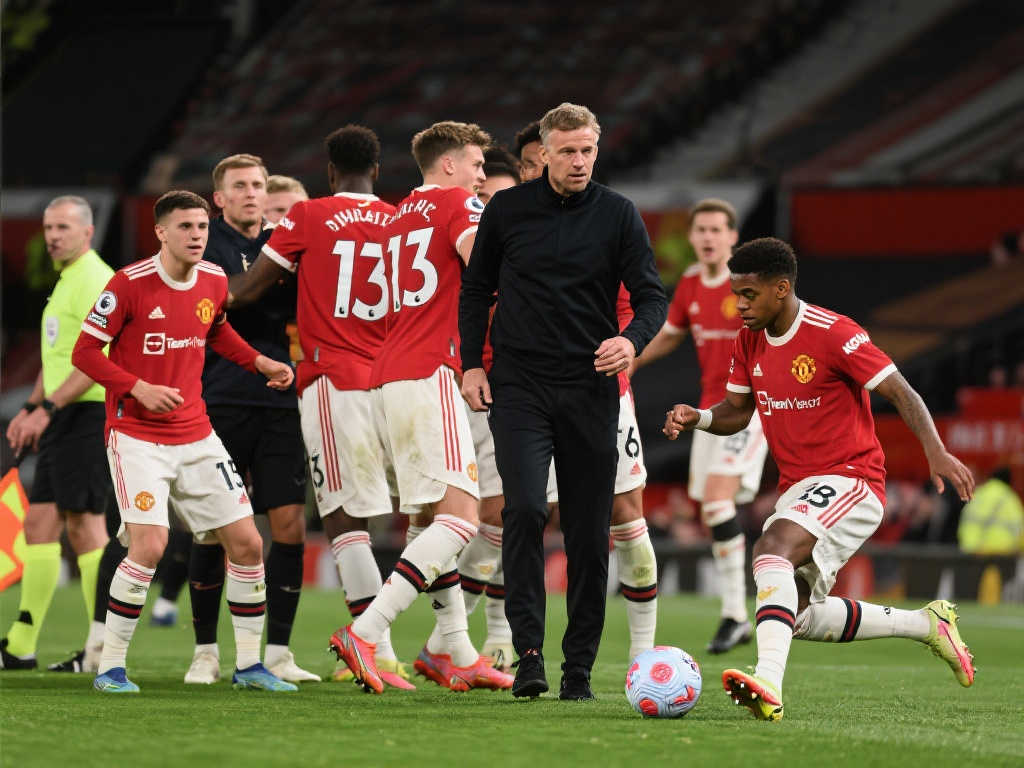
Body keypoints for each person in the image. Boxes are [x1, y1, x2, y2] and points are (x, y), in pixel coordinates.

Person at [663, 236, 977, 721]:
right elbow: (738, 411)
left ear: (781, 288)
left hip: (852, 478)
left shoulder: (833, 333)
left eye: (748, 294)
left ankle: (768, 684)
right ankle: (926, 624)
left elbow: (901, 391)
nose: (739, 305)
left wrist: (935, 451)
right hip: (799, 488)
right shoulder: (749, 339)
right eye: (736, 294)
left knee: (770, 549)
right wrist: (699, 418)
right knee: (795, 613)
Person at [460, 103, 667, 701]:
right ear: (544, 154)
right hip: (520, 386)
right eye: (568, 151)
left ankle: (578, 669)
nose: (579, 161)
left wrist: (631, 340)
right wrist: (472, 363)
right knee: (524, 509)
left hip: (589, 387)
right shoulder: (507, 209)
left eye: (588, 151)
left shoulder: (618, 213)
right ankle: (528, 655)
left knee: (587, 531)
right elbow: (476, 289)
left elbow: (652, 296)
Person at [72, 190, 297, 693]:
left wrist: (258, 362)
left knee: (248, 543)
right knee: (150, 546)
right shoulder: (128, 284)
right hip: (136, 437)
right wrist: (138, 387)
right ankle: (110, 668)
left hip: (197, 434)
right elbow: (84, 352)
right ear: (161, 232)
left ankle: (249, 666)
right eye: (186, 227)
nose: (197, 236)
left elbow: (215, 330)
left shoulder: (214, 279)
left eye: (201, 227)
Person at [328, 120, 513, 695]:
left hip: (389, 373)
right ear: (449, 164)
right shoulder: (459, 204)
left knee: (430, 519)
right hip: (431, 370)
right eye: (477, 164)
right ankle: (365, 631)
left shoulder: (397, 214)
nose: (481, 175)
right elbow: (486, 267)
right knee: (462, 518)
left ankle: (455, 650)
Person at [228, 125, 414, 690]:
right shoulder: (402, 219)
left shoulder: (308, 217)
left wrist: (192, 291)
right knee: (416, 512)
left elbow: (248, 289)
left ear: (330, 173)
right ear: (376, 171)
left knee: (343, 514)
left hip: (335, 378)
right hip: (398, 379)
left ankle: (377, 650)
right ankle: (444, 642)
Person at [184, 154, 315, 685]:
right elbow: (215, 306)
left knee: (289, 524)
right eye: (239, 186)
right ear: (219, 198)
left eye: (258, 184)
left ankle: (279, 651)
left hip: (281, 399)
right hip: (219, 397)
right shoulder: (204, 243)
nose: (251, 193)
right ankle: (205, 652)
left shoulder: (283, 243)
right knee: (212, 529)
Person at [635, 198, 768, 653]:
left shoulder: (747, 284)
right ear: (692, 238)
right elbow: (670, 335)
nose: (709, 237)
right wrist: (631, 358)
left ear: (733, 236)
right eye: (702, 230)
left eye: (717, 229)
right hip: (710, 411)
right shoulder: (691, 282)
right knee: (713, 511)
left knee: (716, 500)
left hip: (748, 408)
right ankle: (740, 615)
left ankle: (735, 614)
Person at [1, 196, 125, 674]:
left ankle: (101, 648)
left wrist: (47, 409)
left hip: (87, 414)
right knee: (39, 525)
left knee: (86, 525)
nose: (52, 236)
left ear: (87, 232)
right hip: (61, 414)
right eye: (49, 227)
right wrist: (32, 406)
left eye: (63, 228)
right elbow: (56, 358)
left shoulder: (96, 280)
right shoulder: (67, 281)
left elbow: (97, 363)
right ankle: (21, 645)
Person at [958, 466, 1023, 553]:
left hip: (972, 551)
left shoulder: (979, 493)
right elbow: (1020, 529)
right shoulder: (1010, 498)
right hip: (1002, 553)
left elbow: (965, 520)